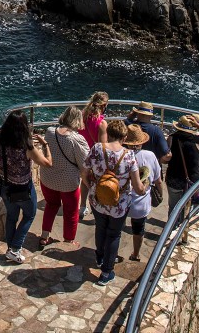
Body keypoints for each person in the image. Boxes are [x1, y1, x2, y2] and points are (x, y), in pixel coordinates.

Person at [82, 118, 144, 286]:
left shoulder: (96, 149)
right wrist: (144, 189)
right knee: (114, 234)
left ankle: (100, 257)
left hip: (97, 200)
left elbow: (85, 170)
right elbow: (138, 187)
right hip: (119, 204)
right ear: (124, 138)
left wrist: (90, 186)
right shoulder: (129, 155)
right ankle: (106, 272)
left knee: (100, 227)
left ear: (108, 134)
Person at [0, 111, 51, 264]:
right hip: (24, 189)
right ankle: (15, 248)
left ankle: (11, 249)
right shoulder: (27, 147)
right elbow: (48, 163)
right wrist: (45, 145)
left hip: (6, 187)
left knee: (12, 217)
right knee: (29, 215)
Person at [37, 105, 89, 249]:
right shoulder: (77, 140)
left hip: (47, 179)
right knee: (71, 211)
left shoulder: (49, 132)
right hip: (68, 183)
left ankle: (44, 236)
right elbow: (85, 163)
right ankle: (68, 241)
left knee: (51, 205)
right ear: (78, 120)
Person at [124, 124, 163, 261]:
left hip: (122, 201)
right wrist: (160, 194)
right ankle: (136, 254)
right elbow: (158, 180)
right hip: (141, 203)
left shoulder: (121, 155)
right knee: (139, 229)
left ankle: (112, 255)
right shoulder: (150, 155)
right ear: (141, 142)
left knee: (115, 230)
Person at [169, 114, 199, 222]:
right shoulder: (198, 140)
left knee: (173, 207)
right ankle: (184, 229)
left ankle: (170, 230)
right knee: (190, 206)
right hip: (192, 179)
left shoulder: (172, 138)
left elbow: (167, 156)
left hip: (173, 178)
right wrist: (197, 125)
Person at [126, 102, 172, 204]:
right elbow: (167, 155)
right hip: (149, 170)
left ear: (138, 113)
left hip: (128, 169)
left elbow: (125, 121)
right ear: (150, 115)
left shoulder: (129, 126)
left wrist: (132, 115)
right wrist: (159, 160)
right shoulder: (156, 131)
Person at [78, 91, 110, 220]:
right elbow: (102, 145)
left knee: (84, 180)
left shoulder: (82, 115)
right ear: (104, 105)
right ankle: (96, 207)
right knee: (96, 182)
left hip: (81, 152)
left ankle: (82, 207)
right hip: (94, 156)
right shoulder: (101, 123)